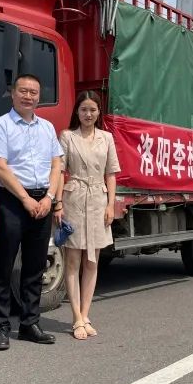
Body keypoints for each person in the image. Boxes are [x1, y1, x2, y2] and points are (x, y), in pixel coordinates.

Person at [0, 73, 64, 350]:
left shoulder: (47, 127)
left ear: (38, 96)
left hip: (43, 199)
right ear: (13, 93)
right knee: (4, 265)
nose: (28, 96)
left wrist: (50, 198)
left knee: (35, 265)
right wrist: (25, 199)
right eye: (23, 91)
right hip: (12, 200)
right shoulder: (1, 124)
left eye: (33, 92)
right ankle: (0, 327)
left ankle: (30, 323)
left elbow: (56, 164)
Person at [54, 91, 121, 340]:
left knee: (92, 261)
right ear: (77, 111)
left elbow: (111, 173)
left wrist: (110, 205)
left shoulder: (107, 138)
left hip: (98, 201)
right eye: (84, 109)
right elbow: (59, 171)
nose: (88, 114)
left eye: (93, 109)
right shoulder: (67, 136)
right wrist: (58, 204)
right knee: (73, 260)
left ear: (99, 112)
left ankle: (85, 314)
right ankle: (76, 318)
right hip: (73, 198)